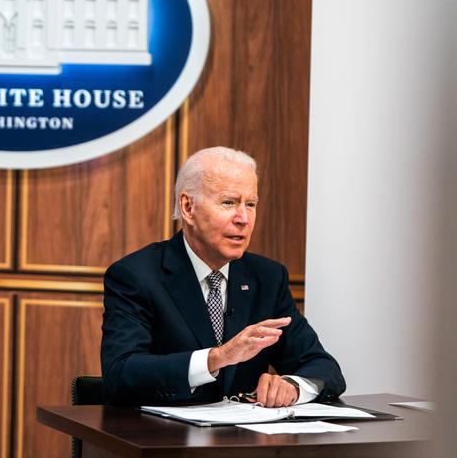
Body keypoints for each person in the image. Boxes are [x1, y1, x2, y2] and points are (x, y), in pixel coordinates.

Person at [101, 147, 345, 407]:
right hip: (164, 440)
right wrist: (216, 358)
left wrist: (293, 387)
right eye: (229, 202)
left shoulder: (267, 279)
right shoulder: (136, 275)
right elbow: (121, 372)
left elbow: (324, 368)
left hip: (243, 442)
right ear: (188, 207)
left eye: (250, 204)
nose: (243, 219)